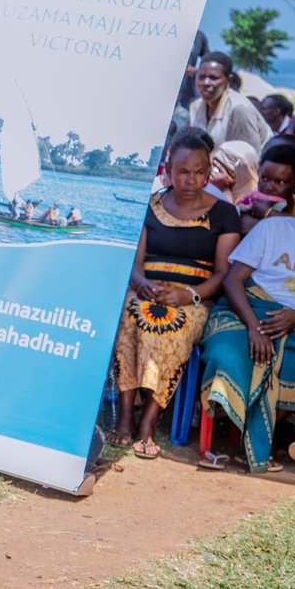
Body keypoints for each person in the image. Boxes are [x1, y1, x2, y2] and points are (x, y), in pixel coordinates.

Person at [109, 128, 240, 458]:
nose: (191, 180)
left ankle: (148, 423)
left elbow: (224, 273)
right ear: (168, 170)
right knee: (127, 316)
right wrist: (142, 285)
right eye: (183, 171)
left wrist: (189, 296)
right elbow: (134, 263)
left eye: (199, 172)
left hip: (193, 297)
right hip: (146, 290)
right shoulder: (149, 207)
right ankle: (125, 416)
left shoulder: (224, 214)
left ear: (208, 173)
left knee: (172, 327)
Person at [199, 159, 295, 473]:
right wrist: (254, 328)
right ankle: (234, 441)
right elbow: (233, 280)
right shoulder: (274, 228)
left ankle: (258, 439)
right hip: (245, 309)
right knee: (230, 354)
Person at [189, 52, 271, 152]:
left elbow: (250, 160)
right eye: (201, 77)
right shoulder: (195, 107)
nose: (206, 83)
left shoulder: (240, 109)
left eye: (213, 78)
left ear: (229, 80)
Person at [238, 142, 295, 234]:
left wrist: (267, 213)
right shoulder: (249, 202)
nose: (269, 187)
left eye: (280, 182)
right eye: (264, 179)